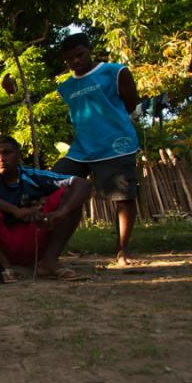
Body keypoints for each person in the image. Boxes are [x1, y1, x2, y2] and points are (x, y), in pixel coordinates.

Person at [54, 32, 140, 266]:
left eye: (80, 55)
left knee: (123, 198)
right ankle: (48, 249)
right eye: (69, 59)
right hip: (81, 149)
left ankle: (122, 250)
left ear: (89, 50)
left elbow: (131, 103)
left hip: (115, 146)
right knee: (51, 184)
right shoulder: (66, 87)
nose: (75, 61)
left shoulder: (115, 72)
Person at [0, 136, 91, 281]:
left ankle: (49, 261)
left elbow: (82, 184)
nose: (1, 159)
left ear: (18, 155)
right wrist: (15, 210)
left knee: (72, 194)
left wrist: (60, 213)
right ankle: (2, 264)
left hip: (35, 239)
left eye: (7, 153)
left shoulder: (33, 176)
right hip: (0, 244)